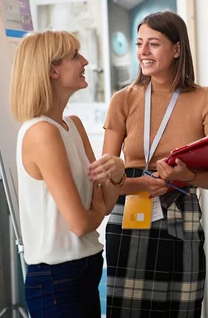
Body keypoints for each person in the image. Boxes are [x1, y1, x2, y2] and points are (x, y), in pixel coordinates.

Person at [102, 11, 208, 317]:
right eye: (140, 43)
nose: (143, 52)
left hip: (179, 213)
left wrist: (189, 175)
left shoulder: (206, 98)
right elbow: (105, 174)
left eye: (153, 44)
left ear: (176, 49)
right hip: (129, 210)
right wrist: (134, 182)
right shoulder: (123, 99)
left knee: (180, 310)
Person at [10, 30, 126, 317]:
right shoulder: (41, 132)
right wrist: (98, 204)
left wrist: (118, 173)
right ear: (52, 69)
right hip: (56, 282)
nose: (85, 60)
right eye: (75, 55)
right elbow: (80, 223)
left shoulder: (71, 125)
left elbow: (105, 203)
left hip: (84, 271)